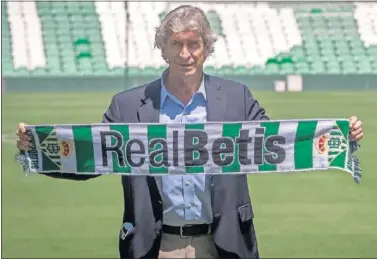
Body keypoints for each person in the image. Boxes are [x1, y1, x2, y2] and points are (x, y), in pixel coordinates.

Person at [16, 5, 364, 259]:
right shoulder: (127, 105)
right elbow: (92, 156)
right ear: (162, 49)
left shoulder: (236, 98)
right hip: (155, 245)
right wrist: (38, 150)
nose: (186, 54)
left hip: (224, 243)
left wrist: (338, 137)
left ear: (207, 48)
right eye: (176, 44)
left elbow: (277, 143)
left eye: (194, 44)